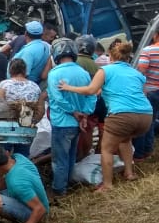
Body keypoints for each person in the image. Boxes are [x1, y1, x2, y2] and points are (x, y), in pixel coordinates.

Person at [59, 41, 152, 192]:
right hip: (145, 115)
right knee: (125, 139)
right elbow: (133, 92)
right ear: (128, 57)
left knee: (107, 149)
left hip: (122, 115)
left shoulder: (105, 70)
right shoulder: (136, 73)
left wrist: (68, 87)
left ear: (110, 56)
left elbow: (91, 90)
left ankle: (107, 185)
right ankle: (129, 173)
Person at [46, 38, 95, 196]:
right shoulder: (84, 73)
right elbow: (92, 96)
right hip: (78, 124)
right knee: (71, 156)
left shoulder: (54, 73)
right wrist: (85, 114)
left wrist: (73, 111)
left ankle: (59, 190)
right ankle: (68, 184)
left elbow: (58, 99)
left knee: (59, 159)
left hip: (61, 123)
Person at [132, 29, 159, 159]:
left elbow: (141, 70)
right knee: (153, 121)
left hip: (149, 91)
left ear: (155, 36)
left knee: (146, 122)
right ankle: (149, 149)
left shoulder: (148, 50)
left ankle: (140, 152)